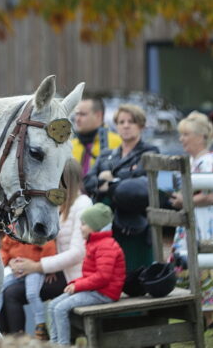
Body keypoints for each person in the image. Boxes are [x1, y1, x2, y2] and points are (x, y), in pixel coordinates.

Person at [0, 159, 91, 334]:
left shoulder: (82, 204)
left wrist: (37, 266)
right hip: (52, 270)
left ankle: (19, 340)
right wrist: (18, 261)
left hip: (73, 275)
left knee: (13, 294)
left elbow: (78, 253)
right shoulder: (57, 205)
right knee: (2, 289)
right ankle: (6, 341)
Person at [84, 104, 158, 274]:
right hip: (105, 224)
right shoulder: (106, 155)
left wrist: (107, 182)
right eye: (121, 122)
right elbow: (88, 181)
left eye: (131, 121)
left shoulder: (149, 151)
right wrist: (119, 180)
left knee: (136, 275)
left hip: (134, 223)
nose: (125, 125)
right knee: (106, 272)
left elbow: (138, 185)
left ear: (141, 126)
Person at [47, 203, 125, 345]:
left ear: (95, 226)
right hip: (95, 290)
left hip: (105, 293)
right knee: (52, 305)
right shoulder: (94, 243)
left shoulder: (106, 245)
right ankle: (54, 342)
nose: (80, 227)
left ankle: (62, 344)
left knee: (60, 308)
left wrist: (78, 286)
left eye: (83, 224)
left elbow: (103, 277)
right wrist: (76, 283)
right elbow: (91, 275)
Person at [169, 111, 213, 327]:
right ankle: (197, 318)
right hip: (191, 223)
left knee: (204, 263)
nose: (181, 139)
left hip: (205, 224)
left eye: (186, 134)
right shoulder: (191, 161)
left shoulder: (208, 162)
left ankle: (207, 318)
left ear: (201, 136)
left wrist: (186, 200)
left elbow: (210, 195)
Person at [0, 236, 56, 340]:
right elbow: (4, 248)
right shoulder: (14, 229)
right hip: (16, 268)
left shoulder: (36, 227)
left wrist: (48, 269)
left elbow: (48, 246)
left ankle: (40, 324)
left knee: (31, 294)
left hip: (34, 268)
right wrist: (8, 261)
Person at [71, 96, 121, 175]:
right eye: (77, 114)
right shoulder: (70, 145)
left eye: (82, 114)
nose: (77, 119)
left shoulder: (118, 143)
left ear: (98, 115)